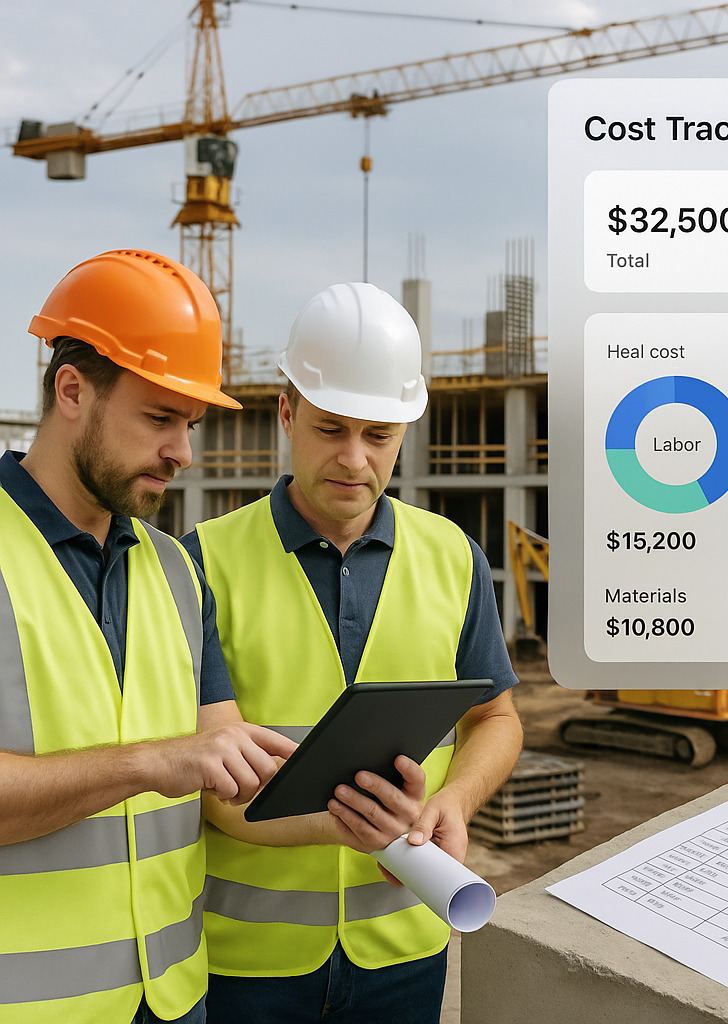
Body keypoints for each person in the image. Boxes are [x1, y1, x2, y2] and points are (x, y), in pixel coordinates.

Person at [181, 281, 523, 1023]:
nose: (353, 458)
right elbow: (201, 779)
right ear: (287, 413)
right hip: (249, 960)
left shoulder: (453, 558)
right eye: (331, 428)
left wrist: (455, 802)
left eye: (379, 436)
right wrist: (354, 824)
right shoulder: (202, 563)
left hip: (405, 950)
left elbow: (496, 718)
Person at [0, 249, 296, 1024]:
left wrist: (359, 817)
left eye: (189, 424)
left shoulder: (175, 571)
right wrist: (151, 762)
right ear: (72, 390)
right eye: (160, 418)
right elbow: (173, 762)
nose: (183, 453)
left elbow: (227, 783)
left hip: (171, 1000)